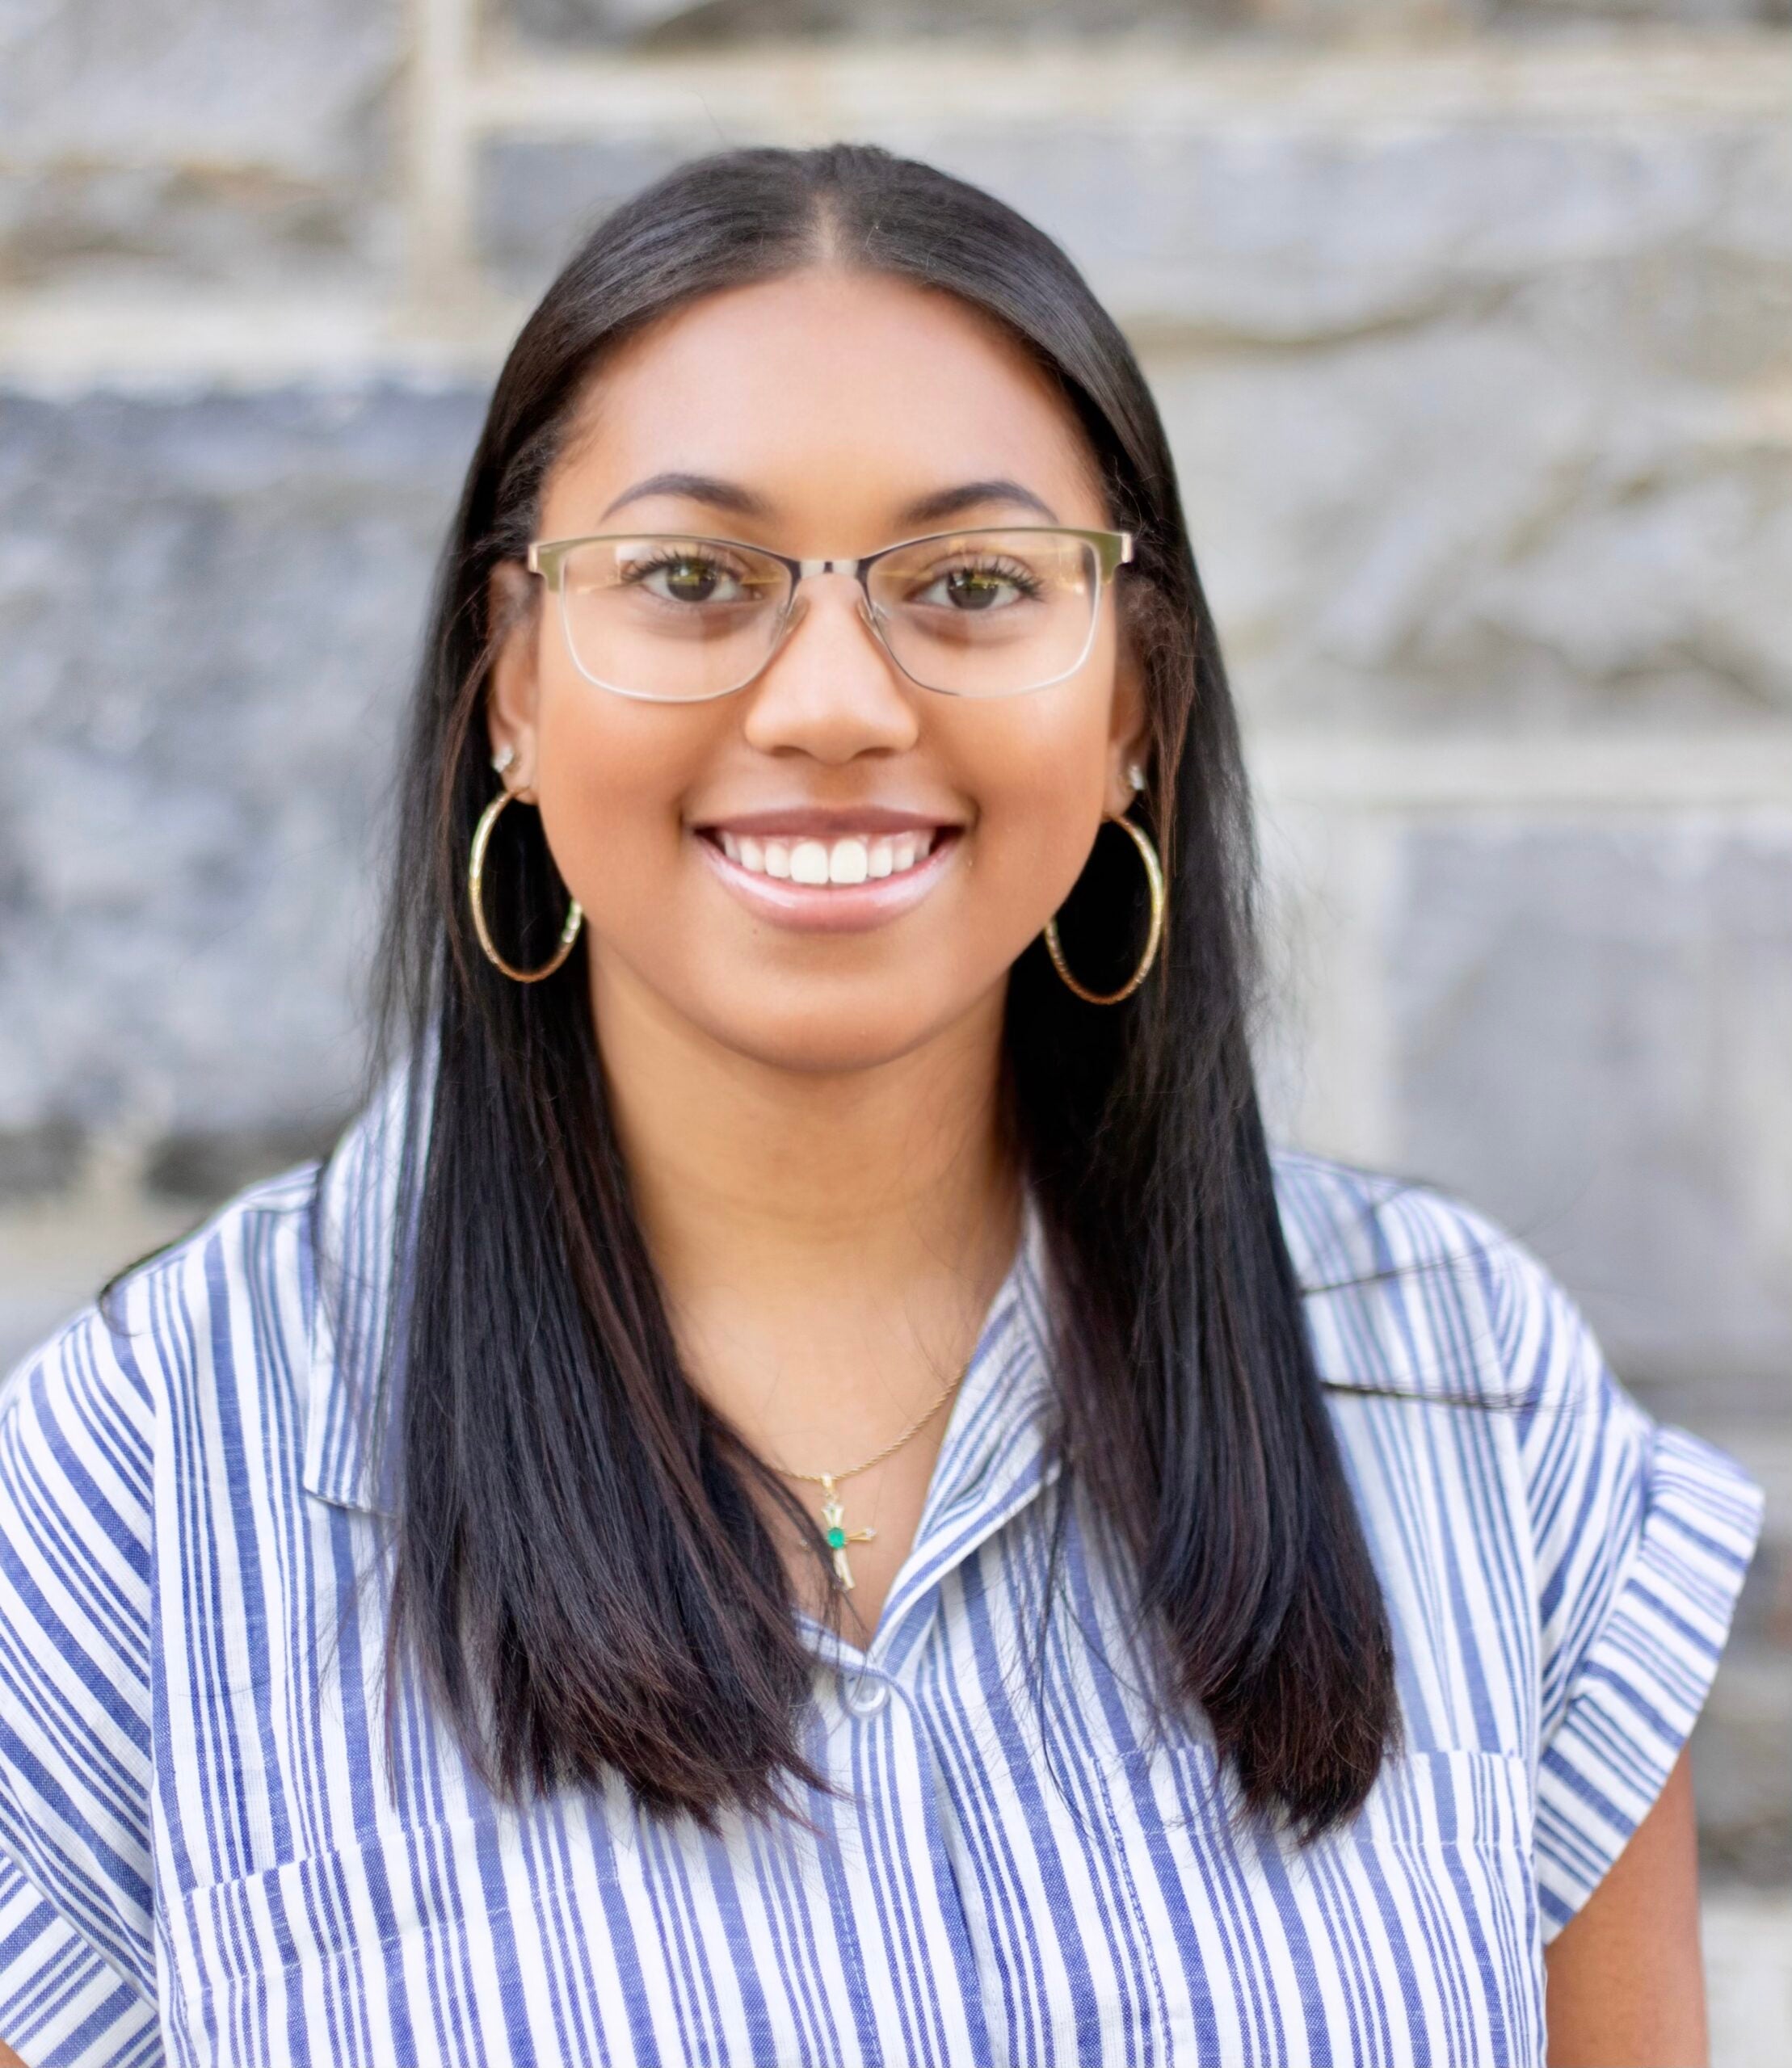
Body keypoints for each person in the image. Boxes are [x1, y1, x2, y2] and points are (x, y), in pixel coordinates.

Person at [0, 143, 1763, 2068]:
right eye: (688, 577)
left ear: (1129, 708)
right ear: (508, 675)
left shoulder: (1467, 1404)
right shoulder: (140, 1488)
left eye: (972, 584)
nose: (833, 699)